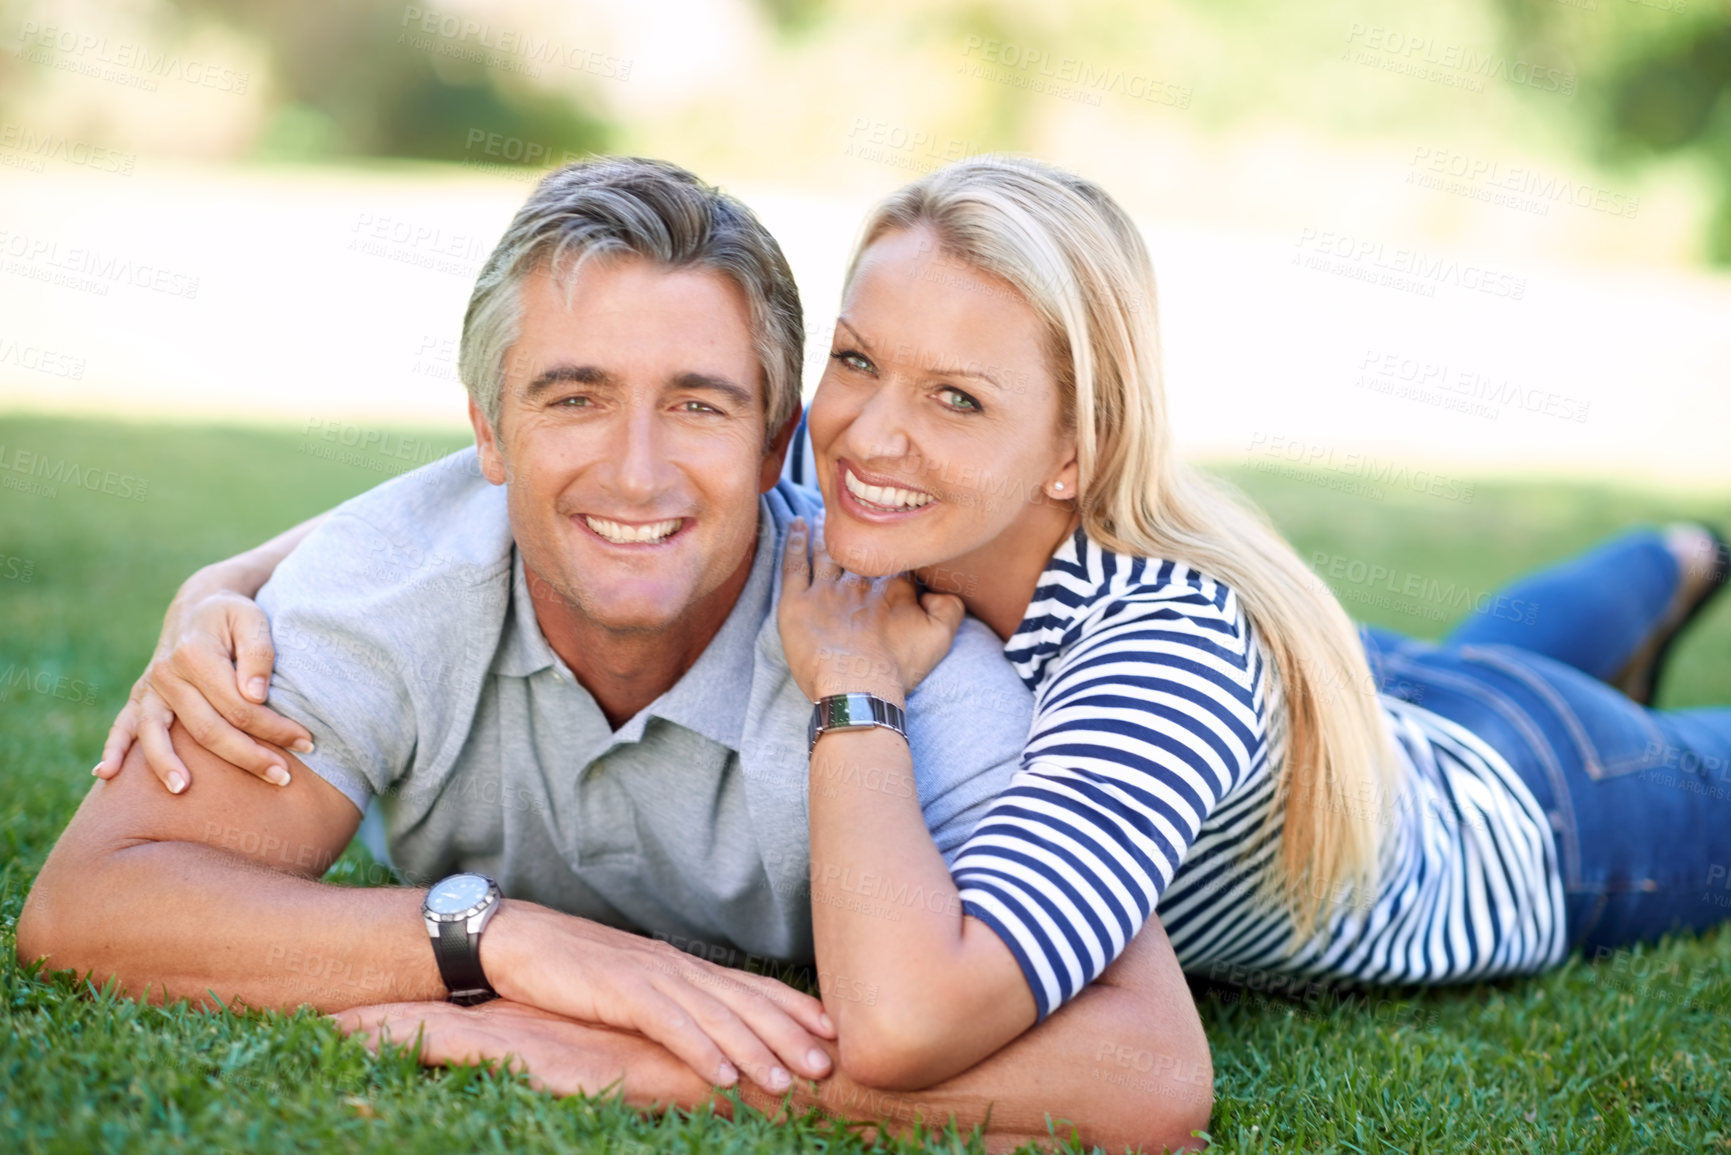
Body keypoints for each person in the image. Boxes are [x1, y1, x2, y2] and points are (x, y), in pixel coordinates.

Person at [17, 157, 1210, 1154]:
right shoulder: (395, 579)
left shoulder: (900, 650)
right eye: (575, 397)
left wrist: (637, 1056)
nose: (636, 472)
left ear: (777, 443)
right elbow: (93, 905)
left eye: (698, 406)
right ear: (487, 428)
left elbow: (1143, 1068)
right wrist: (492, 938)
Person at [765, 154, 1731, 1086]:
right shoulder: (856, 484)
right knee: (1473, 662)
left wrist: (856, 684)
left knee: (1535, 707)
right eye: (856, 358)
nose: (866, 432)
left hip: (1540, 812)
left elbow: (908, 1022)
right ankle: (1678, 560)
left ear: (1075, 449)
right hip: (1370, 695)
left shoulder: (1159, 657)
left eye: (956, 398)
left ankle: (1690, 554)